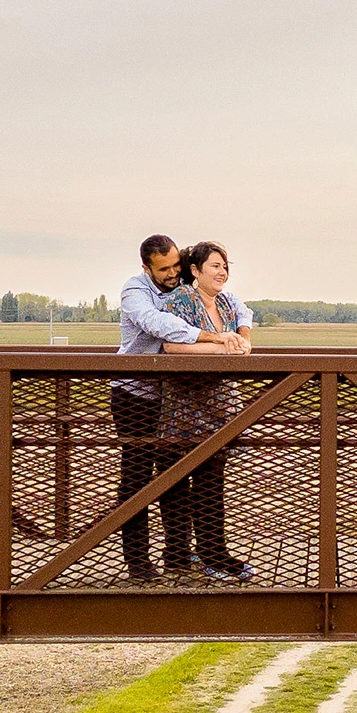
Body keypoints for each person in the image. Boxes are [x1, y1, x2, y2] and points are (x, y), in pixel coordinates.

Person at [115, 234, 248, 582]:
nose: (173, 273)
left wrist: (240, 333)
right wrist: (220, 340)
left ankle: (180, 554)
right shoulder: (136, 291)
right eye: (164, 269)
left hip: (171, 397)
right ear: (147, 268)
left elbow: (232, 302)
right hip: (136, 395)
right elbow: (161, 328)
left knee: (180, 476)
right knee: (138, 479)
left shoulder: (183, 285)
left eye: (177, 264)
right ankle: (138, 562)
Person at [158, 240, 256, 580]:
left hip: (219, 410)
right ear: (195, 271)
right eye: (214, 265)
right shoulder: (179, 300)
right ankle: (178, 556)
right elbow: (170, 345)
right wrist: (221, 349)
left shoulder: (228, 302)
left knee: (211, 486)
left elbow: (243, 330)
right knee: (175, 484)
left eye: (225, 265)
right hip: (184, 408)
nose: (222, 271)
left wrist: (241, 339)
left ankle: (214, 553)